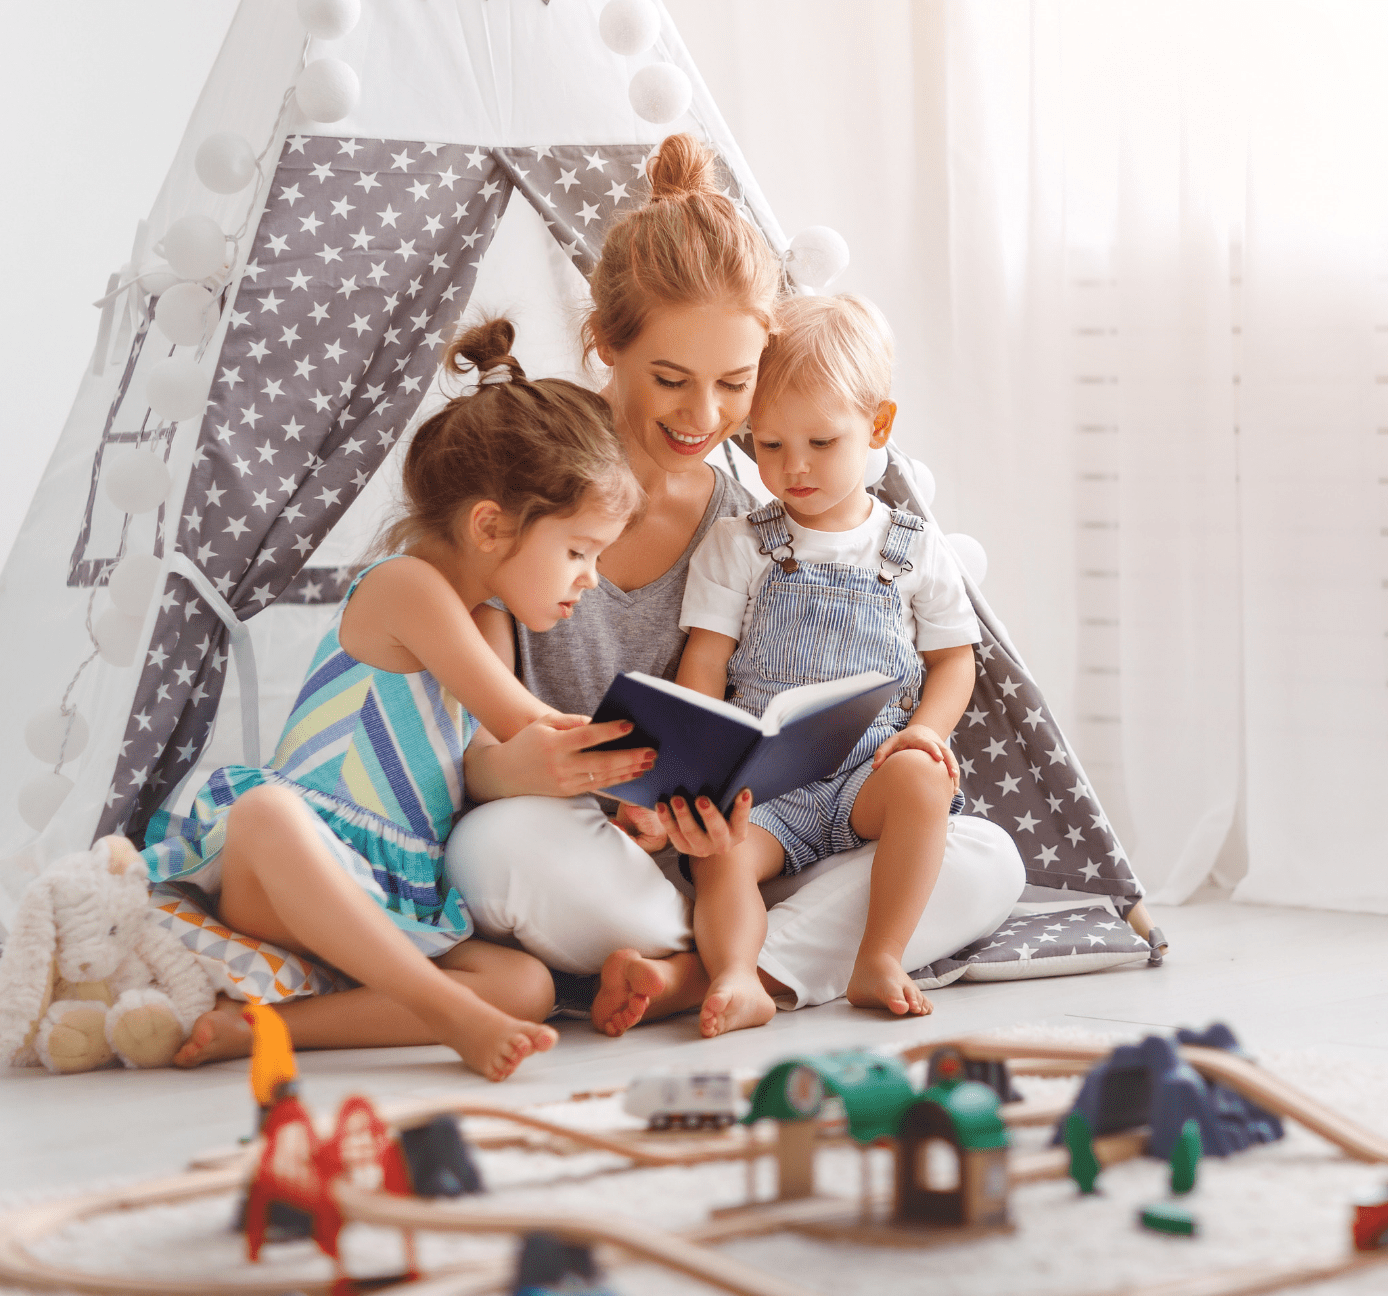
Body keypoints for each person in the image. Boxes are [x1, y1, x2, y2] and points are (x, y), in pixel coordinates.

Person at [444, 135, 1024, 1036]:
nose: (704, 417)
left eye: (735, 386)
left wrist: (718, 806)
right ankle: (734, 955)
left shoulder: (751, 517)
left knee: (987, 859)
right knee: (499, 854)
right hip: (598, 844)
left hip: (738, 841)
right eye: (671, 380)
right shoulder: (536, 473)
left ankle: (707, 973)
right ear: (605, 346)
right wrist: (534, 769)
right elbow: (470, 752)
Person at [153, 318, 653, 1080]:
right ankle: (452, 1018)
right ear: (490, 525)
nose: (590, 578)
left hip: (389, 889)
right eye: (579, 551)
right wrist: (637, 759)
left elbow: (493, 760)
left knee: (528, 985)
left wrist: (625, 794)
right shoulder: (405, 587)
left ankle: (254, 1031)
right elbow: (528, 723)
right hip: (297, 870)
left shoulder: (488, 616)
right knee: (265, 813)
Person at [677, 293, 974, 1035]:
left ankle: (880, 956)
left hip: (869, 772)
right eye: (768, 445)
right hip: (768, 778)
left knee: (923, 782)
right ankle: (739, 977)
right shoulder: (740, 543)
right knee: (724, 852)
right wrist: (699, 768)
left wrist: (928, 735)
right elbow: (705, 665)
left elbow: (954, 663)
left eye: (820, 442)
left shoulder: (910, 546)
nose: (792, 468)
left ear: (877, 426)